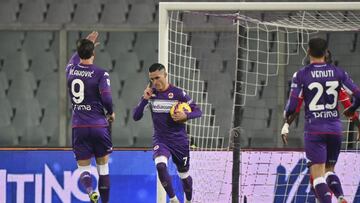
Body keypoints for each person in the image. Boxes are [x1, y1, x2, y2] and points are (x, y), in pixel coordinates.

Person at [283, 38, 360, 203]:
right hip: (335, 129)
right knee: (330, 170)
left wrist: (286, 120)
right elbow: (358, 95)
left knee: (317, 177)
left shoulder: (301, 75)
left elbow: (293, 106)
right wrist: (353, 110)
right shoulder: (338, 73)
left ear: (308, 51)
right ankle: (340, 197)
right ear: (326, 53)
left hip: (314, 130)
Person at [133, 63, 202, 203]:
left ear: (165, 75)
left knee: (184, 175)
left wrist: (185, 116)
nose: (154, 82)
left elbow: (198, 111)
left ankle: (189, 200)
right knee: (160, 165)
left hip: (179, 141)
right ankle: (173, 199)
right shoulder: (151, 94)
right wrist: (144, 99)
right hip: (161, 140)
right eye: (152, 79)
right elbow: (136, 116)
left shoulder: (178, 94)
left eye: (157, 78)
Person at [66, 31, 115, 203]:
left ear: (79, 54)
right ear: (94, 53)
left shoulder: (70, 70)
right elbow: (107, 97)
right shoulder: (101, 73)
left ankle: (89, 190)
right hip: (98, 126)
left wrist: (86, 43)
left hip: (79, 126)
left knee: (82, 167)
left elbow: (72, 61)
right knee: (103, 166)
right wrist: (110, 112)